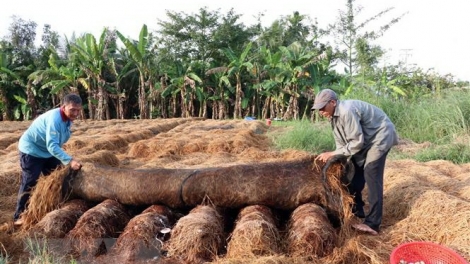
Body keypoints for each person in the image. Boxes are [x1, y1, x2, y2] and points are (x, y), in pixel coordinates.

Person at [313, 89, 398, 236]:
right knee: (352, 171)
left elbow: (356, 143)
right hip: (365, 141)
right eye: (318, 109)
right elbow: (341, 145)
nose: (320, 111)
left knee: (371, 174)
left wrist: (332, 154)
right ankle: (356, 210)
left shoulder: (346, 111)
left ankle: (373, 224)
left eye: (322, 107)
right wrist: (335, 156)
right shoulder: (333, 117)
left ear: (333, 102)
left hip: (379, 137)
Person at [13, 93, 83, 226]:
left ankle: (51, 204)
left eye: (78, 110)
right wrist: (69, 160)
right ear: (63, 107)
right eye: (72, 109)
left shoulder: (67, 118)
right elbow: (52, 145)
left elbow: (55, 142)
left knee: (58, 177)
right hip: (31, 151)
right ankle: (18, 216)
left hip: (47, 151)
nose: (75, 113)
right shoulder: (55, 119)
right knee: (30, 181)